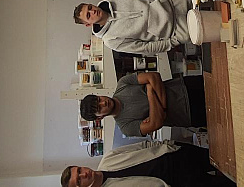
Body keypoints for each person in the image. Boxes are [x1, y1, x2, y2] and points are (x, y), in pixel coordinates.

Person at [80, 72, 206, 138]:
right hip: (190, 114)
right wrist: (150, 91)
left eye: (99, 99)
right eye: (99, 108)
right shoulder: (125, 127)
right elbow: (156, 124)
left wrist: (162, 110)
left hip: (187, 86)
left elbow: (154, 76)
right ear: (100, 117)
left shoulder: (123, 83)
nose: (103, 102)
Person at [61, 140, 234, 187]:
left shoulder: (108, 158)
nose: (84, 173)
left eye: (79, 170)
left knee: (227, 159)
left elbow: (143, 145)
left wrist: (170, 144)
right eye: (79, 180)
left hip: (176, 156)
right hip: (177, 183)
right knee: (228, 184)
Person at [73, 0, 192, 56]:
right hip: (177, 30)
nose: (93, 11)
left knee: (203, 1)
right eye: (88, 15)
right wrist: (175, 40)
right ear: (88, 24)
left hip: (176, 2)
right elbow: (146, 48)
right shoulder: (110, 40)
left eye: (90, 7)